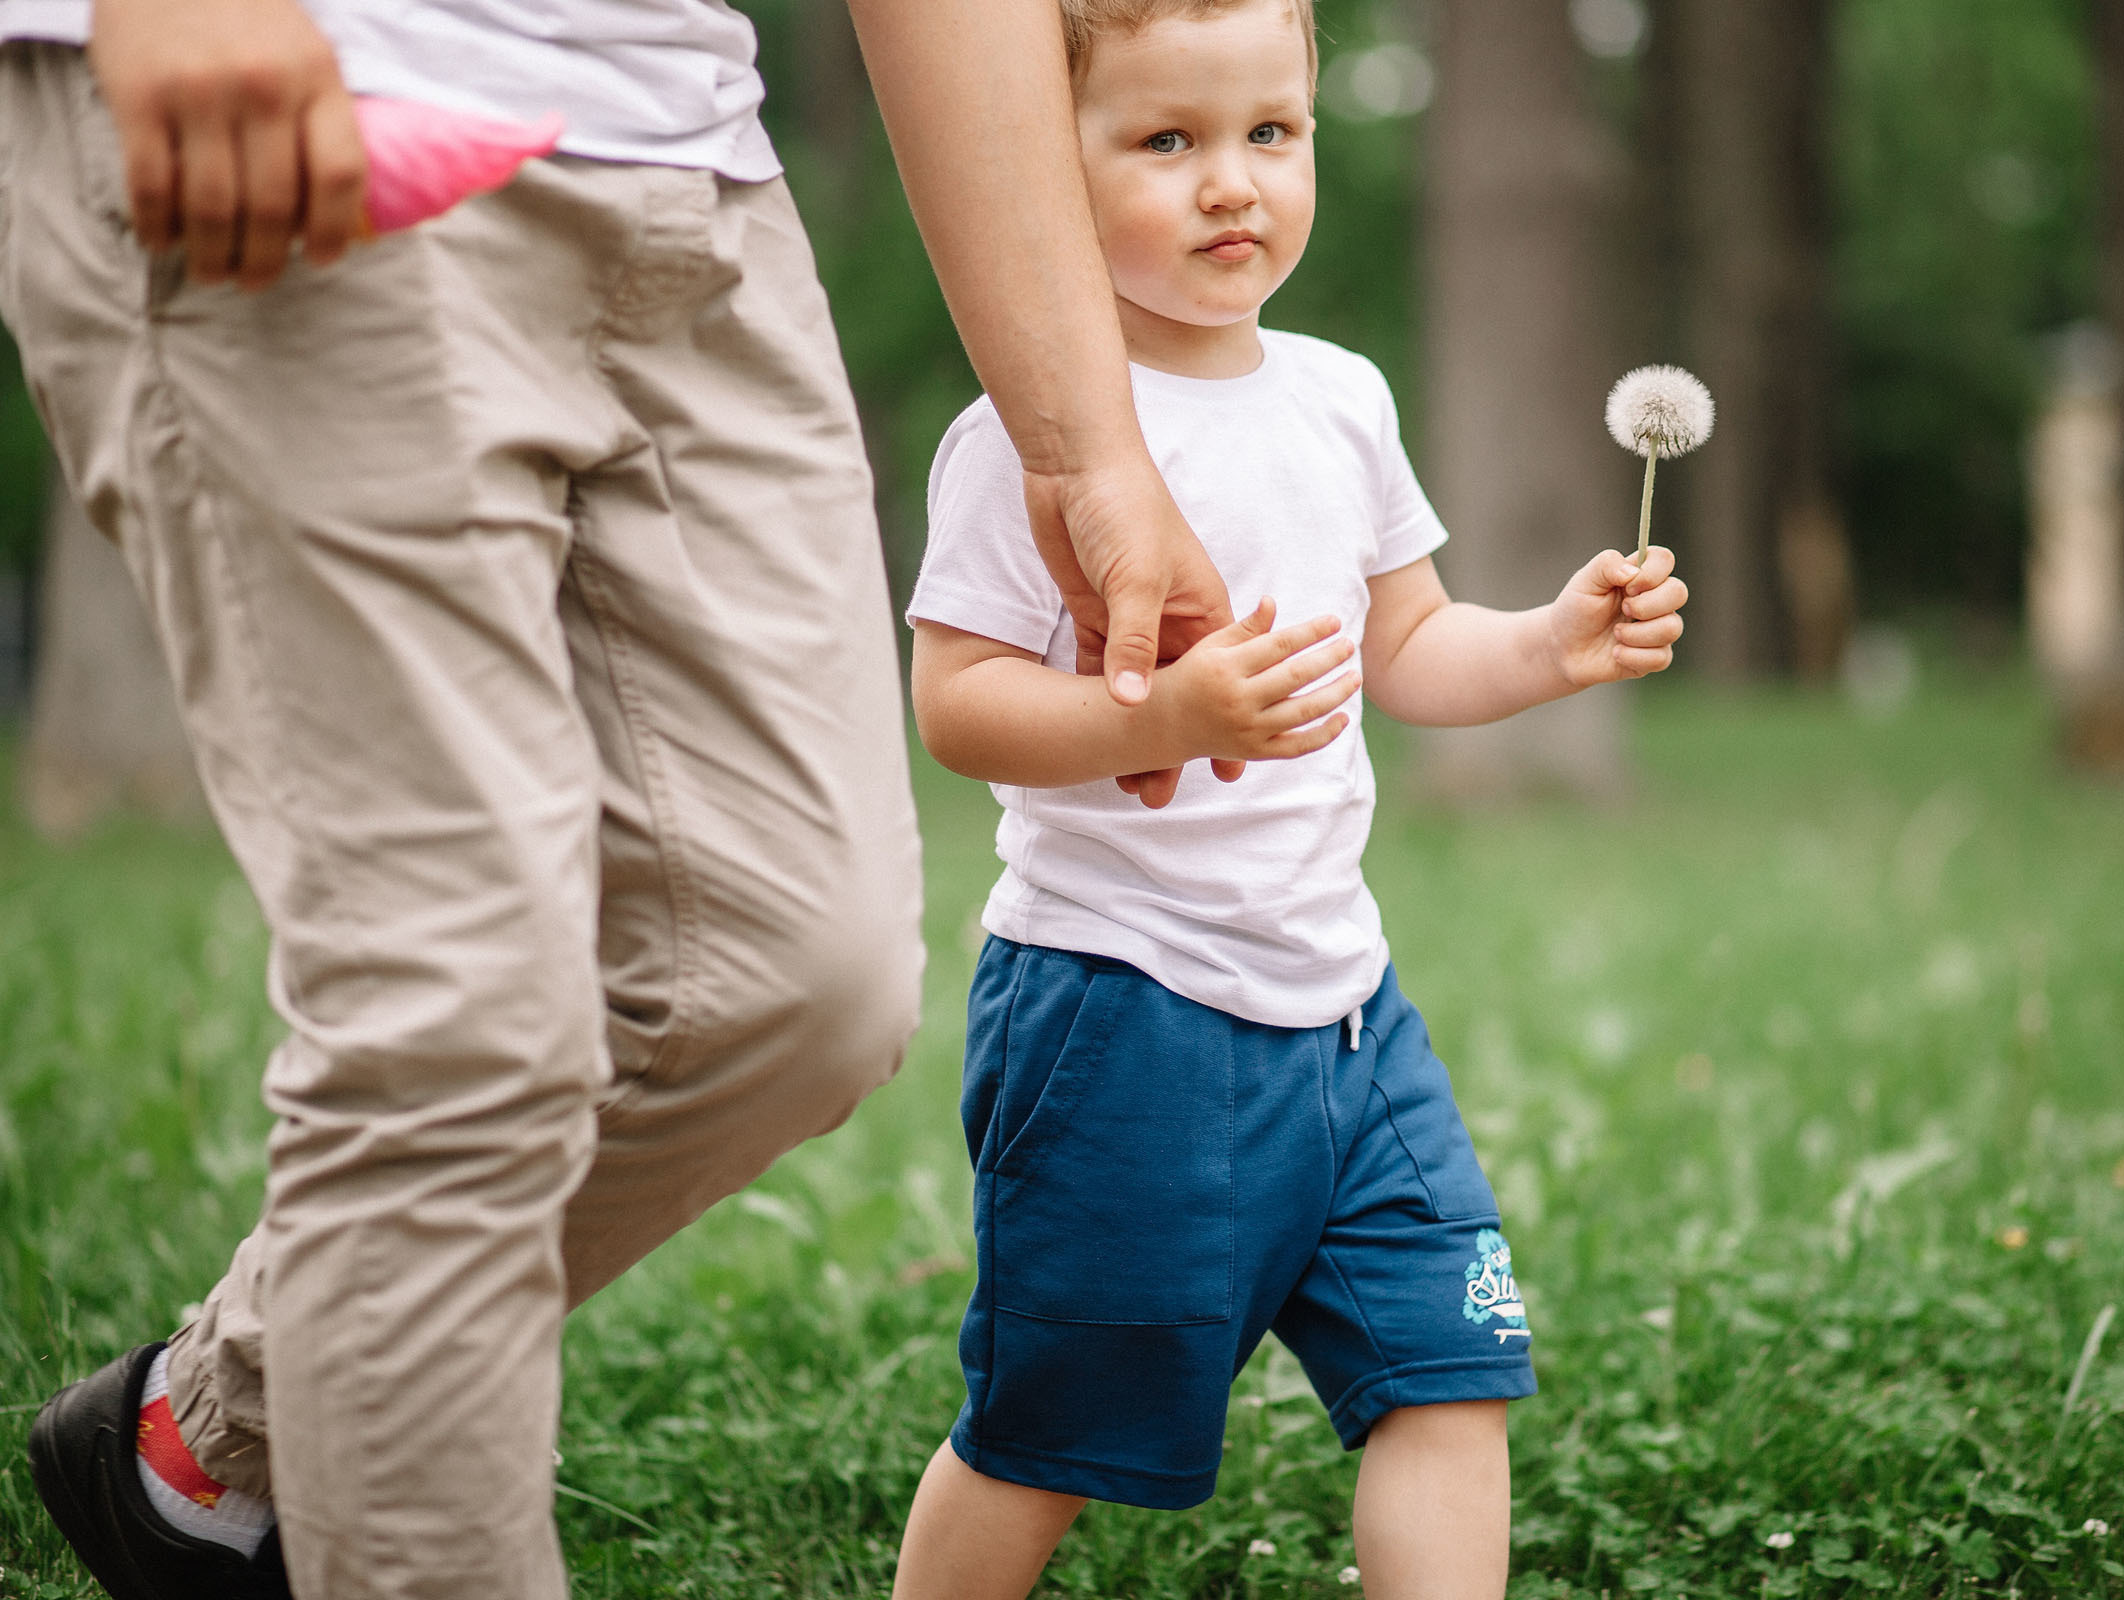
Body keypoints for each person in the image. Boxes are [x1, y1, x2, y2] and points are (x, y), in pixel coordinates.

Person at [0, 0, 1244, 1592]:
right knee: (462, 1025)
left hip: (684, 164)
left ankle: (204, 1441)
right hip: (314, 111)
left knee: (795, 977)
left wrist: (1087, 453)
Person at [892, 0, 1691, 1593]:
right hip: (1123, 1012)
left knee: (1450, 1377)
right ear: (1046, 171)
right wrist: (1166, 707)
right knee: (1045, 1427)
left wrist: (1547, 643)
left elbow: (1410, 640)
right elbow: (955, 705)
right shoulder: (1028, 436)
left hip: (1348, 1015)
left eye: (1271, 133)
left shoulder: (1339, 397)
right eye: (1167, 142)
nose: (1232, 185)